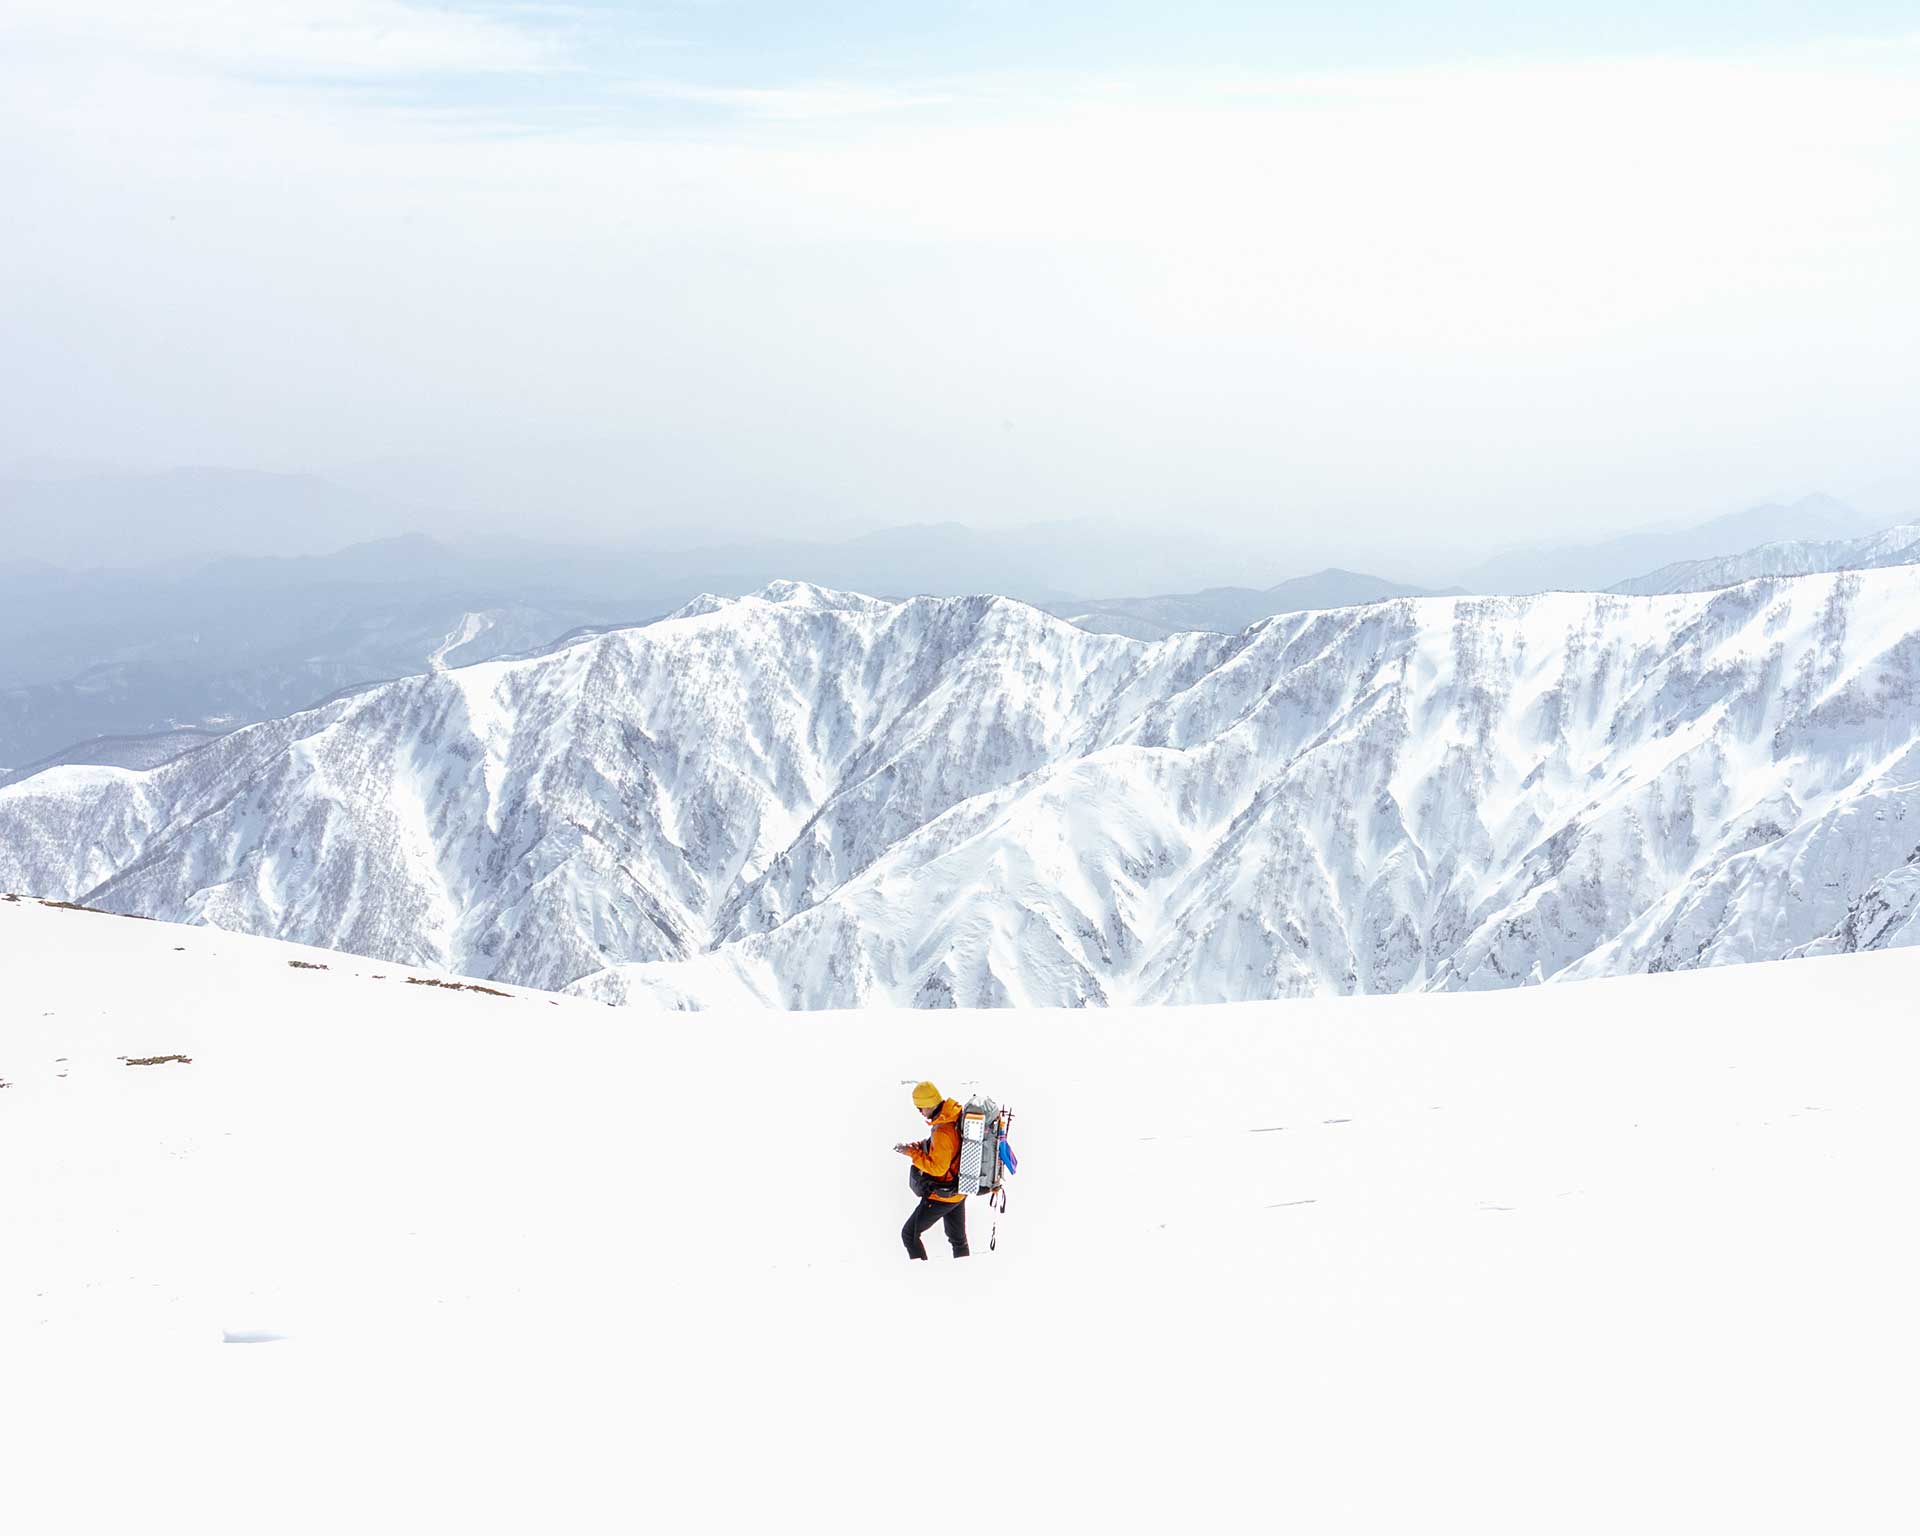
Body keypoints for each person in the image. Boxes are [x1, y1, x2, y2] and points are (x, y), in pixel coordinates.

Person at [894, 1081, 969, 1260]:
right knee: (958, 1239)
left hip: (944, 1194)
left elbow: (937, 1168)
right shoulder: (952, 1117)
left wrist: (912, 1153)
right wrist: (917, 1147)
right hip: (959, 1190)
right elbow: (940, 1149)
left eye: (920, 1108)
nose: (920, 1112)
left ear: (929, 1104)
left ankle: (921, 1276)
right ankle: (966, 1273)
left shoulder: (943, 1130)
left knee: (909, 1234)